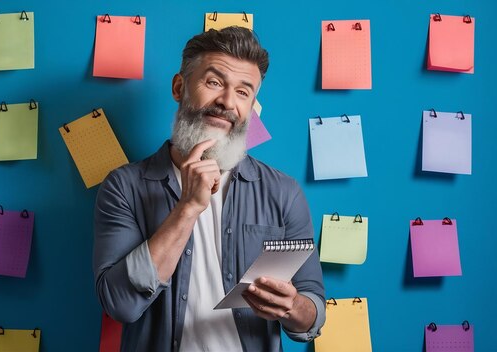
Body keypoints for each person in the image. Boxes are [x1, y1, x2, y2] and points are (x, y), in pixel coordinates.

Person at [93, 26, 325, 351]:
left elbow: (312, 314)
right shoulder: (123, 187)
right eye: (214, 82)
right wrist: (187, 208)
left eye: (244, 92)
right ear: (179, 87)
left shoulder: (283, 192)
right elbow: (120, 305)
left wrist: (292, 306)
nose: (227, 102)